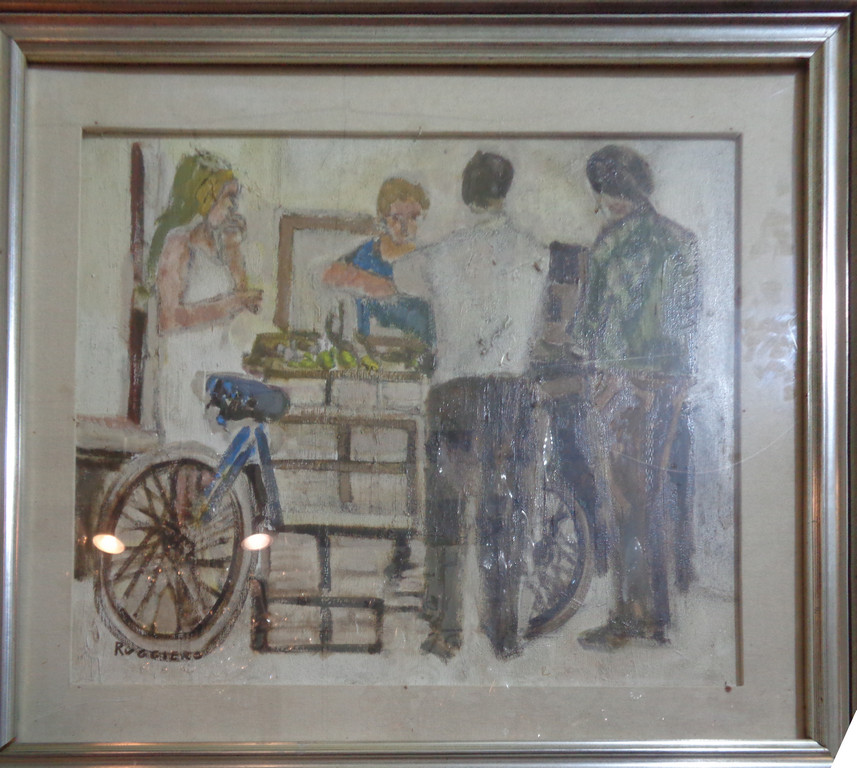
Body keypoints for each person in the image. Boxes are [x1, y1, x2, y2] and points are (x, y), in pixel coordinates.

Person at [394, 151, 550, 659]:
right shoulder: (535, 253)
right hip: (510, 394)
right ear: (506, 191)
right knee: (504, 514)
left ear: (466, 194)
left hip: (455, 393)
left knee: (445, 513)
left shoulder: (440, 254)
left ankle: (445, 630)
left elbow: (396, 276)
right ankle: (503, 632)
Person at [568, 144, 699, 650]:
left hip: (624, 384)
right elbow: (687, 320)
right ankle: (652, 614)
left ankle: (634, 616)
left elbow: (588, 325)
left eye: (605, 192)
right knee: (649, 495)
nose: (605, 201)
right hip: (669, 382)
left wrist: (608, 370)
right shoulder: (681, 240)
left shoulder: (609, 244)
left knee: (626, 499)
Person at [151, 151, 262, 445]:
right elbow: (169, 318)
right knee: (198, 458)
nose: (233, 206)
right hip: (188, 373)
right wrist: (231, 303)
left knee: (238, 448)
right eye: (227, 197)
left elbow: (243, 298)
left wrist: (234, 248)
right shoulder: (178, 243)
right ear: (204, 198)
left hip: (218, 367)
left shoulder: (215, 243)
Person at [322, 177, 434, 346]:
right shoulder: (365, 254)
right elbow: (329, 274)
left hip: (409, 349)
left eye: (413, 217)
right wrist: (368, 283)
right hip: (363, 345)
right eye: (396, 219)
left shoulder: (424, 260)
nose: (404, 227)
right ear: (383, 218)